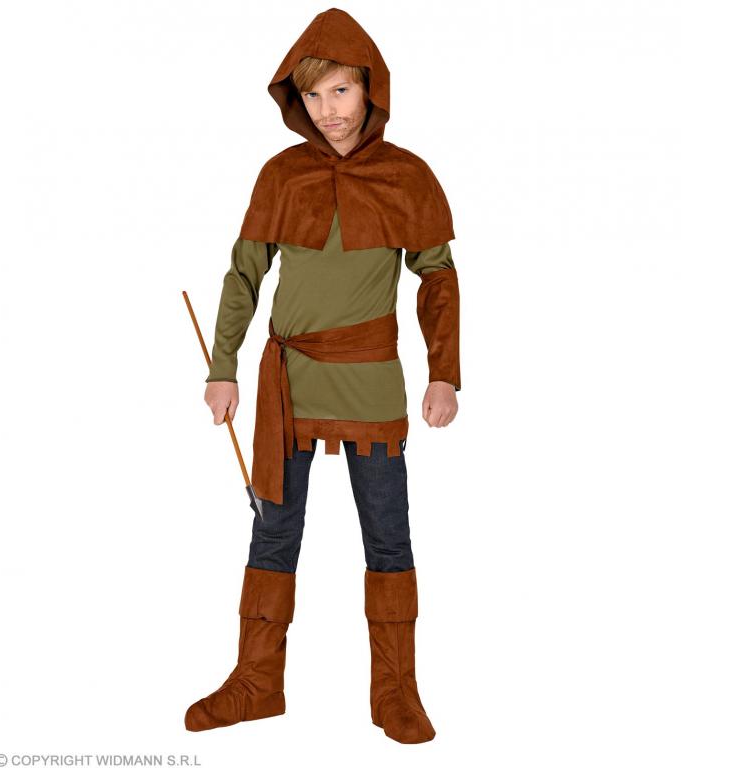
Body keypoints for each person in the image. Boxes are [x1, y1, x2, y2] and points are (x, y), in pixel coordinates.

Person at [184, 8, 460, 745]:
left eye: (341, 90)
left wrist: (444, 374)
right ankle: (256, 683)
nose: (329, 109)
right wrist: (222, 367)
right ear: (296, 99)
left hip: (369, 384)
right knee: (273, 535)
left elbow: (437, 277)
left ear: (370, 89)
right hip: (290, 388)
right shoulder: (281, 175)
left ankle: (396, 692)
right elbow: (245, 274)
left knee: (389, 538)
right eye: (313, 95)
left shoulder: (407, 176)